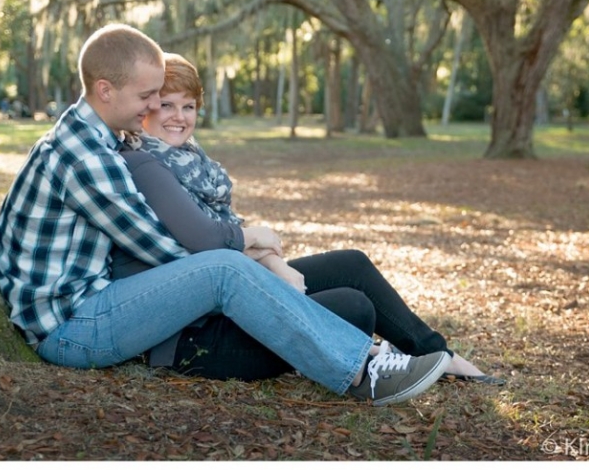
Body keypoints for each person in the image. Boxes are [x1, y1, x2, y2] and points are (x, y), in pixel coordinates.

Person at [0, 23, 451, 407]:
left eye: (170, 99)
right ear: (105, 90)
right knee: (223, 270)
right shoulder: (85, 153)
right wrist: (248, 243)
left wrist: (244, 245)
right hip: (70, 327)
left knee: (233, 266)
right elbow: (163, 247)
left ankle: (405, 356)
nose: (156, 107)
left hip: (89, 303)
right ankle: (361, 372)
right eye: (149, 96)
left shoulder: (97, 138)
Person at [111, 52, 505, 385]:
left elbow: (229, 232)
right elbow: (208, 239)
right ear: (145, 108)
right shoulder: (144, 163)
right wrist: (262, 243)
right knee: (353, 307)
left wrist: (275, 264)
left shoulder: (192, 162)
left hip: (234, 298)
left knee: (352, 264)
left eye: (188, 106)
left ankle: (439, 355)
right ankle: (372, 355)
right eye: (166, 105)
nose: (179, 117)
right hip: (194, 337)